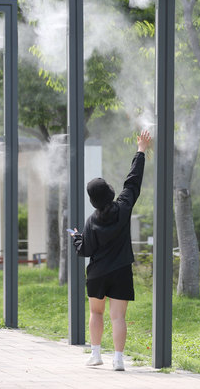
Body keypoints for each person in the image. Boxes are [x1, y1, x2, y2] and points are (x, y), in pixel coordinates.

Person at [69, 130, 152, 371]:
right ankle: (118, 359)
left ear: (93, 201)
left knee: (96, 313)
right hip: (121, 270)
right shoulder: (124, 207)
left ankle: (96, 355)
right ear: (110, 193)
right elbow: (133, 180)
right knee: (118, 317)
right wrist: (141, 150)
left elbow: (84, 249)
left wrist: (76, 237)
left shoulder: (90, 221)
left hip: (97, 273)